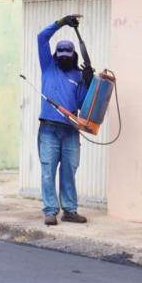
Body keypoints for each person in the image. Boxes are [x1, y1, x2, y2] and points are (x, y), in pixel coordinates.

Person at [37, 14, 94, 226]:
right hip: (48, 130)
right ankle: (50, 211)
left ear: (73, 55)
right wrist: (61, 23)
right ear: (55, 55)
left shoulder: (78, 76)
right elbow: (41, 37)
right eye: (60, 54)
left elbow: (81, 104)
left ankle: (69, 211)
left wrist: (88, 83)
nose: (63, 58)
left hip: (71, 129)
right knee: (48, 171)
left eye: (66, 55)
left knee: (69, 170)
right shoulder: (48, 67)